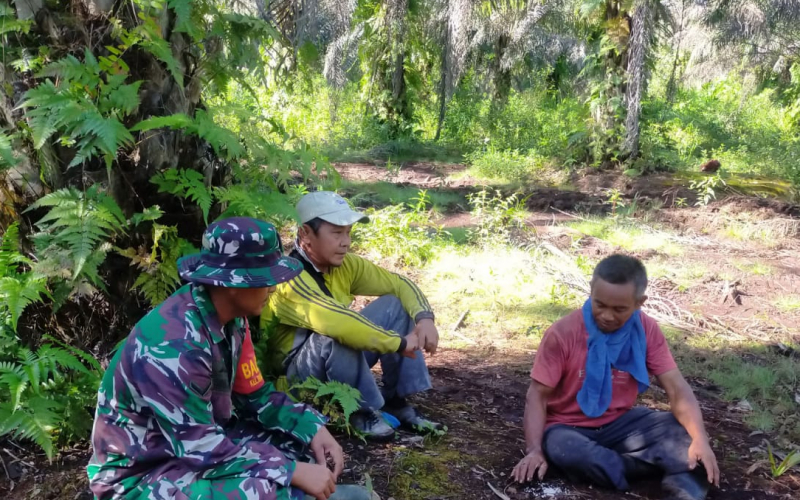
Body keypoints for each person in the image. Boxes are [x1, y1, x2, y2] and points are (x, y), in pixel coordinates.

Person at [88, 217, 370, 500]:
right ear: (234, 283)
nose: (273, 287)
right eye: (266, 279)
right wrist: (289, 471)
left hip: (191, 445)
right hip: (139, 475)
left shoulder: (233, 319)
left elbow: (256, 395)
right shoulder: (174, 347)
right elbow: (201, 449)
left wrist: (312, 428)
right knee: (257, 488)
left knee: (294, 443)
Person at [511, 254, 720, 500]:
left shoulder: (647, 329)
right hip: (567, 428)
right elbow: (537, 395)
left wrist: (700, 440)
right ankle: (643, 467)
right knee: (566, 450)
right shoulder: (563, 333)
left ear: (639, 302)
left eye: (619, 309)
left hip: (621, 423)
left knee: (683, 435)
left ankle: (683, 493)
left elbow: (676, 388)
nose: (607, 316)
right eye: (600, 304)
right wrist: (534, 450)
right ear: (591, 291)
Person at [260, 191, 442, 440]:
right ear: (305, 234)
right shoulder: (289, 277)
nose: (345, 241)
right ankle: (360, 411)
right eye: (336, 233)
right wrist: (398, 343)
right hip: (296, 380)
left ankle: (395, 401)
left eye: (347, 232)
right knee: (335, 334)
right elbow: (337, 322)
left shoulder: (346, 266)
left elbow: (398, 283)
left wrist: (425, 318)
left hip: (333, 364)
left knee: (394, 305)